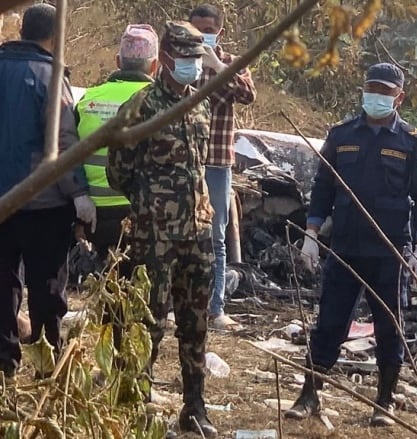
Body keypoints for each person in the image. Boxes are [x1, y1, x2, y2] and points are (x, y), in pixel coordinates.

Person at [286, 63, 417, 426]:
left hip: (389, 251)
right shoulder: (341, 136)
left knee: (390, 327)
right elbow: (323, 188)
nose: (377, 96)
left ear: (399, 97)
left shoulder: (413, 142)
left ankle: (384, 401)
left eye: (386, 92)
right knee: (329, 324)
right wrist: (311, 235)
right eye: (372, 89)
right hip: (345, 248)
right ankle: (310, 395)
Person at [106, 21, 216, 437]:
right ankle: (138, 406)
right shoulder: (141, 106)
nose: (193, 66)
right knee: (149, 321)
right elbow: (119, 171)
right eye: (185, 58)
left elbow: (201, 165)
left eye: (196, 59)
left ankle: (195, 408)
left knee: (196, 323)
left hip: (198, 231)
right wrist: (150, 202)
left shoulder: (201, 103)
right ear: (166, 59)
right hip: (155, 235)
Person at [0, 3, 95, 380]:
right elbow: (64, 141)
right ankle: (47, 364)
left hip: (3, 205)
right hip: (43, 204)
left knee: (2, 285)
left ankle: (4, 364)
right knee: (47, 287)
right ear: (55, 36)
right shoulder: (49, 76)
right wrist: (80, 195)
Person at [189, 3, 256, 330]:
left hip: (216, 163)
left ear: (220, 32)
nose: (202, 36)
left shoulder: (232, 63)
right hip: (184, 161)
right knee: (182, 233)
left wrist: (216, 65)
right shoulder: (179, 63)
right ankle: (182, 305)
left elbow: (247, 94)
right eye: (196, 29)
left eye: (208, 30)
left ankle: (215, 309)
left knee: (215, 235)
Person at [75, 24, 158, 258]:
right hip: (139, 213)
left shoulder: (87, 99)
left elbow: (66, 152)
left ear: (118, 61)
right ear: (154, 66)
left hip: (91, 214)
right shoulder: (159, 103)